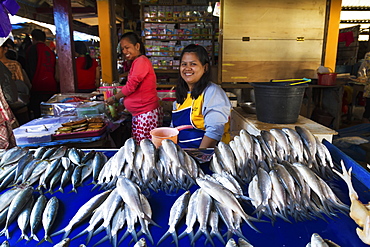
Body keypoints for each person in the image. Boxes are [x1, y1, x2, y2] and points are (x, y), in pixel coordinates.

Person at [106, 32, 163, 144]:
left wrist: (114, 98)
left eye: (127, 47)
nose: (124, 52)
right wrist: (124, 106)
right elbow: (137, 91)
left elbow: (131, 86)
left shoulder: (141, 61)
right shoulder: (137, 62)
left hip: (146, 114)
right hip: (141, 113)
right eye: (123, 49)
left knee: (145, 149)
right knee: (140, 147)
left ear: (137, 46)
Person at [172, 44, 232, 148]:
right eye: (184, 64)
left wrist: (200, 156)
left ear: (205, 67)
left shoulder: (212, 93)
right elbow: (174, 129)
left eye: (193, 64)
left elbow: (214, 131)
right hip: (184, 154)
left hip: (208, 156)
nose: (187, 68)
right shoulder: (182, 95)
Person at [26, 29, 59, 118]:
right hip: (51, 85)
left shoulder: (32, 49)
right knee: (51, 114)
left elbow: (30, 68)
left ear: (33, 38)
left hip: (38, 86)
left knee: (39, 115)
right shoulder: (49, 51)